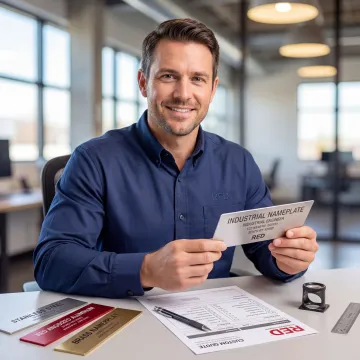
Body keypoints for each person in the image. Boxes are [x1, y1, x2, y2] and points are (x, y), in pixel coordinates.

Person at [34, 18, 318, 298]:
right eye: (168, 76)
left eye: (197, 79)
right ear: (144, 83)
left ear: (212, 89)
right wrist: (145, 269)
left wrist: (288, 259)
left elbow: (264, 248)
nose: (184, 94)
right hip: (124, 320)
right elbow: (51, 262)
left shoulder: (238, 162)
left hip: (219, 322)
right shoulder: (93, 160)